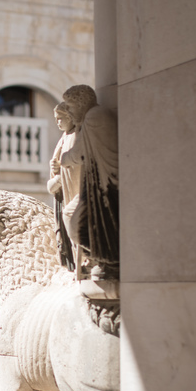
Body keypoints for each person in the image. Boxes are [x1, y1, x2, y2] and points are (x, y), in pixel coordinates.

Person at [47, 84, 120, 280]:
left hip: (105, 186)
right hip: (97, 183)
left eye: (70, 107)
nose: (68, 111)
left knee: (72, 217)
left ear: (81, 104)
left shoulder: (94, 117)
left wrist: (62, 161)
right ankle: (94, 259)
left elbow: (78, 155)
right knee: (72, 216)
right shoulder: (91, 118)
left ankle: (98, 258)